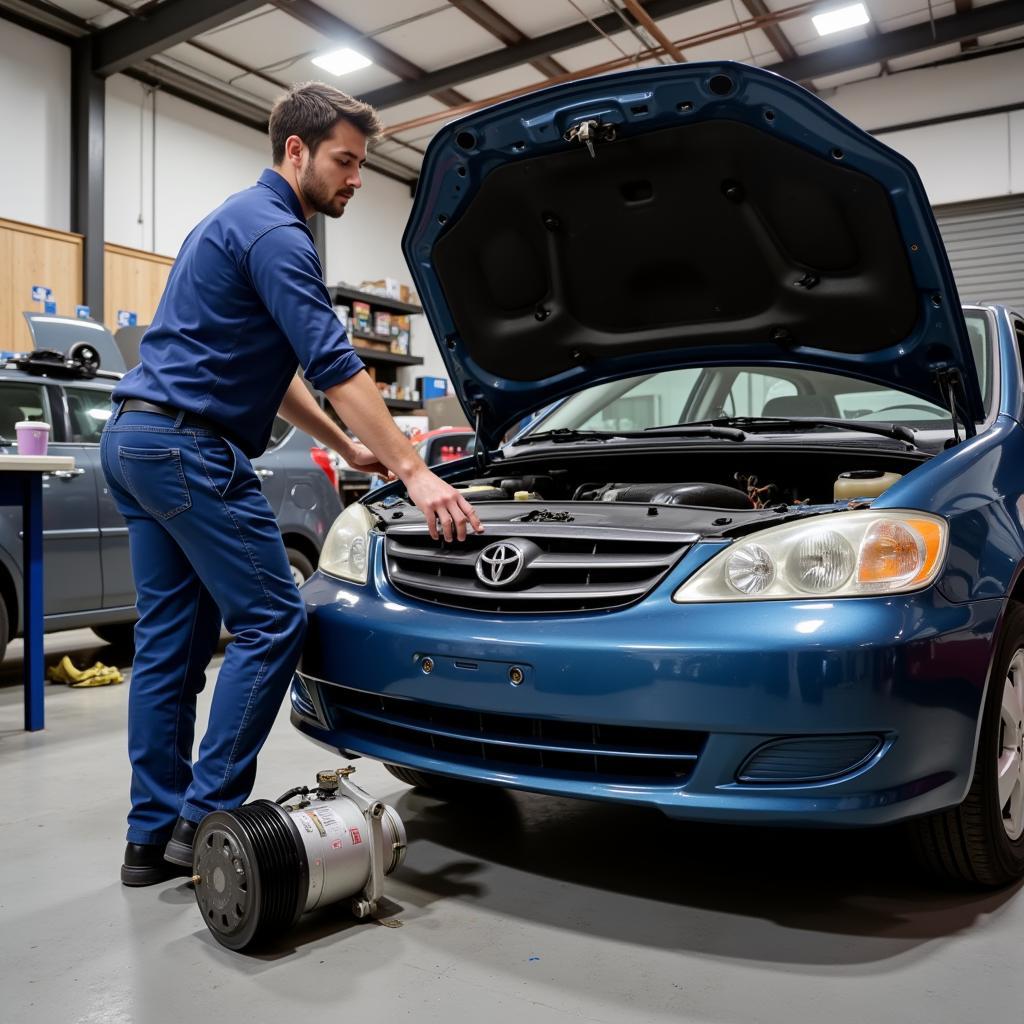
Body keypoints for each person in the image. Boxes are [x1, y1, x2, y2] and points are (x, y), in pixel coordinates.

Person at [101, 82, 483, 886]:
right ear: (296, 150)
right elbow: (335, 362)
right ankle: (205, 821)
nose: (354, 179)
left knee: (171, 647)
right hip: (185, 449)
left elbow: (274, 378)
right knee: (275, 618)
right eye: (345, 162)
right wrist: (415, 471)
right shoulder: (279, 233)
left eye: (362, 165)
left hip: (138, 440)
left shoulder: (230, 221)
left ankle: (151, 839)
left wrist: (349, 445)